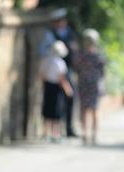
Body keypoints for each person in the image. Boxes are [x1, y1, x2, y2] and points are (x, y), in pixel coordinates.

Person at [38, 8, 79, 137]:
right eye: (60, 21)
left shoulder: (70, 32)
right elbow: (42, 51)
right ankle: (53, 131)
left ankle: (68, 127)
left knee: (69, 99)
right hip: (56, 71)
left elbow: (74, 49)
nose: (62, 23)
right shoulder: (49, 35)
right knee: (54, 103)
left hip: (67, 69)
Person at [74, 28, 106, 146]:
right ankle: (94, 135)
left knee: (84, 109)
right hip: (94, 84)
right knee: (94, 110)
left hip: (84, 83)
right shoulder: (99, 55)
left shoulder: (80, 55)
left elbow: (76, 68)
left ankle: (85, 134)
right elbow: (103, 72)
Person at [40, 40, 73, 142]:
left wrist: (44, 86)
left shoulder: (46, 60)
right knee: (57, 111)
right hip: (57, 88)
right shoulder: (60, 62)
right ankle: (56, 134)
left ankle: (46, 133)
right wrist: (68, 89)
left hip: (48, 86)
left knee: (47, 110)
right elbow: (61, 78)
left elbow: (42, 74)